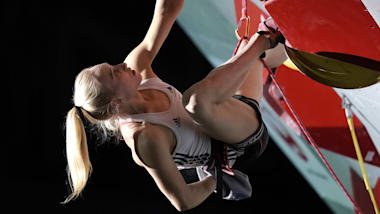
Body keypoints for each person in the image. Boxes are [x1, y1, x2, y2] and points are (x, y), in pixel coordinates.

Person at [64, 0, 285, 211]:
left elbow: (166, 11)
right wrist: (214, 179)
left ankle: (268, 53)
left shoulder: (136, 68)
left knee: (254, 49)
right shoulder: (146, 137)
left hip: (235, 107)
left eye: (112, 65)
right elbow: (183, 200)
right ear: (116, 103)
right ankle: (265, 37)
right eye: (114, 73)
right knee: (194, 102)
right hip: (241, 144)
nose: (122, 65)